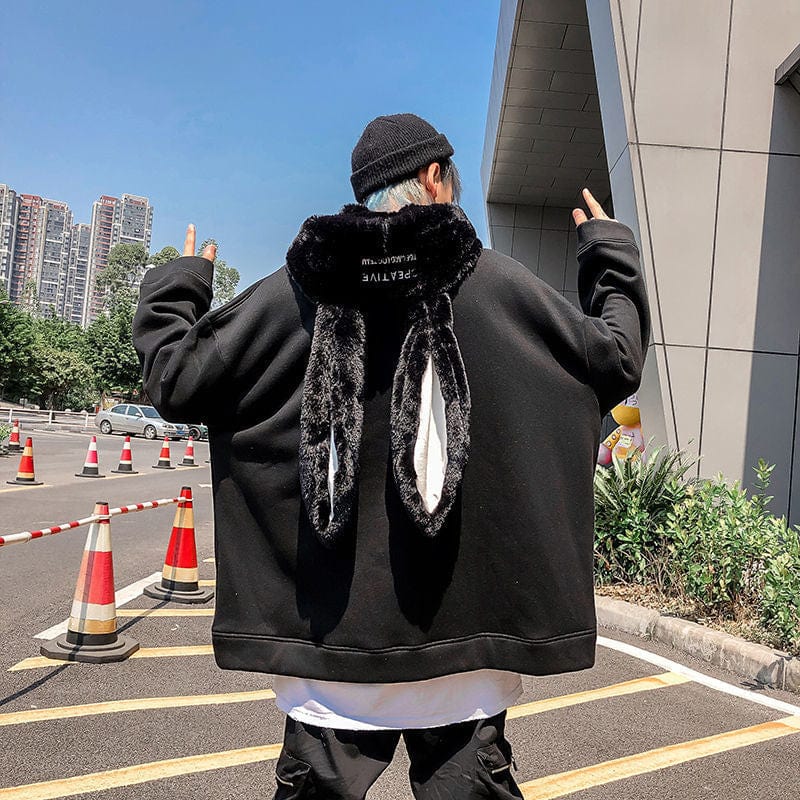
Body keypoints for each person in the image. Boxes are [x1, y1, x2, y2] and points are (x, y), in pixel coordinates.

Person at [132, 112, 651, 799]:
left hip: (329, 656)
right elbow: (614, 360)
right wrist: (609, 256)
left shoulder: (295, 292)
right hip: (465, 654)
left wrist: (180, 286)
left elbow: (176, 379)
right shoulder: (498, 286)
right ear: (434, 178)